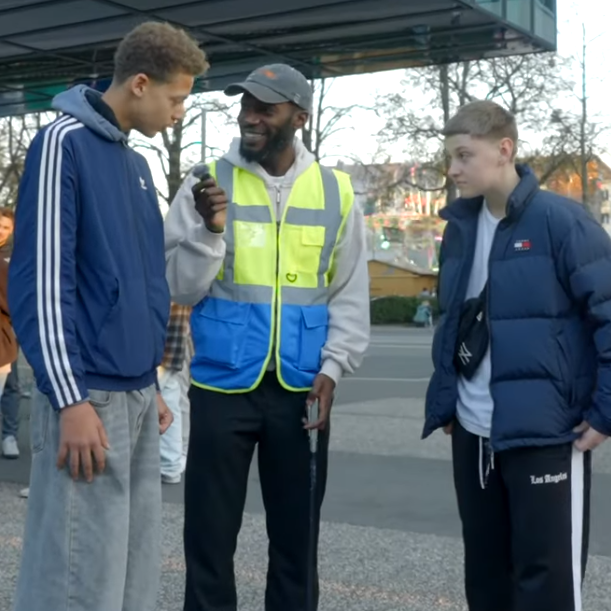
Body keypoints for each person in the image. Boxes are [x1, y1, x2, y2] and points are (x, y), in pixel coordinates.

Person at [8, 22, 208, 611]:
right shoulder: (61, 142)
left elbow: (146, 281)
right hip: (87, 395)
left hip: (137, 391)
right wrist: (69, 399)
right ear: (140, 84)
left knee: (130, 572)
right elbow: (41, 284)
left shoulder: (135, 165)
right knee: (78, 575)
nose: (179, 112)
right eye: (175, 98)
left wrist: (153, 378)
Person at [165, 63, 370, 611]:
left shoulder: (337, 193)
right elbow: (178, 285)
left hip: (303, 392)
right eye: (246, 105)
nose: (249, 117)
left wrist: (332, 371)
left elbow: (349, 293)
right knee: (208, 540)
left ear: (299, 117)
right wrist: (210, 231)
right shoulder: (206, 181)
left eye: (266, 107)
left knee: (297, 543)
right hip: (218, 387)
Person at [423, 100, 611, 611]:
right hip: (474, 431)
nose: (453, 169)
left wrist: (605, 412)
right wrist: (449, 396)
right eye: (450, 157)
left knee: (546, 582)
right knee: (486, 578)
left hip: (546, 434)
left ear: (504, 150)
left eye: (464, 155)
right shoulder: (460, 228)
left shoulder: (562, 222)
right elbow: (455, 319)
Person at [158, 302, 191, 484]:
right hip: (176, 334)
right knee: (174, 394)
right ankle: (172, 461)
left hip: (164, 334)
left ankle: (172, 462)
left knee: (168, 395)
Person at [0, 207, 21, 459]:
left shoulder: (14, 257)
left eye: (5, 227)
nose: (1, 231)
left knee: (12, 384)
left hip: (10, 328)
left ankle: (9, 434)